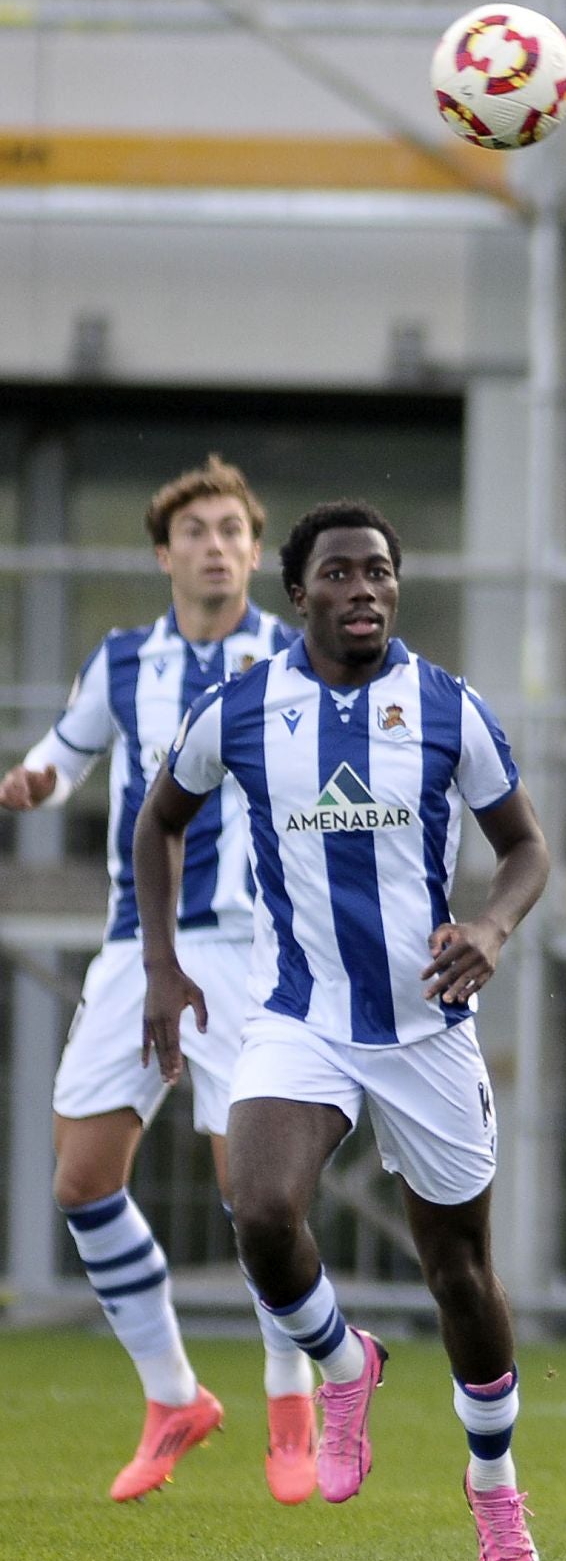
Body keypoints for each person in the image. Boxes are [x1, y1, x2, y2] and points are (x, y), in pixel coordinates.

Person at [133, 500, 552, 1561]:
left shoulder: (447, 706)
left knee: (461, 1276)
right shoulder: (244, 706)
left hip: (427, 1027)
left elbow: (526, 848)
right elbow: (158, 821)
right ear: (299, 594)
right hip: (302, 1016)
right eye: (340, 574)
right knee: (261, 1210)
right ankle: (341, 1359)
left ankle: (496, 1492)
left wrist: (494, 928)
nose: (363, 590)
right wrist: (162, 966)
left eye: (380, 573)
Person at [0, 456, 314, 1503]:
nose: (215, 544)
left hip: (255, 950)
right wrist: (34, 780)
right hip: (138, 945)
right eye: (196, 531)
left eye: (232, 528)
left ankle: (288, 1393)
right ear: (163, 552)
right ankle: (174, 1395)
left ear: (257, 552)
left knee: (252, 1190)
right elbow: (66, 754)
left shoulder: (292, 657)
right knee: (82, 1177)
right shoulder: (123, 660)